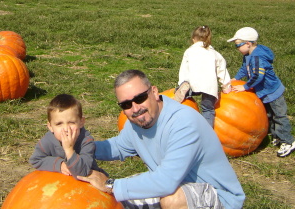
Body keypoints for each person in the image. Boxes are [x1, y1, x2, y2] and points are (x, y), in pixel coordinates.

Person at [78, 70, 245, 209]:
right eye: (126, 105)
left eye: (140, 98)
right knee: (117, 200)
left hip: (219, 197)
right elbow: (117, 147)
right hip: (175, 184)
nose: (135, 108)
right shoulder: (137, 123)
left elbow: (165, 182)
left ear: (154, 92)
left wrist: (110, 184)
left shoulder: (183, 123)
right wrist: (79, 147)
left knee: (172, 200)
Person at [227, 27, 295, 158]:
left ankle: (288, 141)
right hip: (263, 92)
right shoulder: (248, 55)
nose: (237, 49)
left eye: (237, 45)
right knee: (269, 115)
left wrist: (245, 87)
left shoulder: (258, 57)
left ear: (248, 43)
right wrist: (236, 78)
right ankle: (276, 136)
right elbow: (244, 69)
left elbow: (258, 76)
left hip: (272, 91)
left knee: (279, 116)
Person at [29, 94, 107, 178]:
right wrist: (60, 164)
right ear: (50, 126)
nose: (66, 128)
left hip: (86, 185)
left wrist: (69, 149)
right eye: (59, 124)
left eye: (71, 122)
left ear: (81, 122)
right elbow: (36, 160)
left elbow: (82, 172)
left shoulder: (86, 141)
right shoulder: (47, 141)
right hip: (57, 185)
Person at [175, 25, 231, 127]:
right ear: (209, 39)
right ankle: (207, 133)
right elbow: (222, 70)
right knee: (208, 109)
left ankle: (185, 88)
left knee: (186, 89)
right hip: (209, 85)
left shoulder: (189, 51)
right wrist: (226, 85)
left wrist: (182, 82)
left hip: (193, 82)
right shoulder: (215, 53)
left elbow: (184, 69)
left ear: (193, 39)